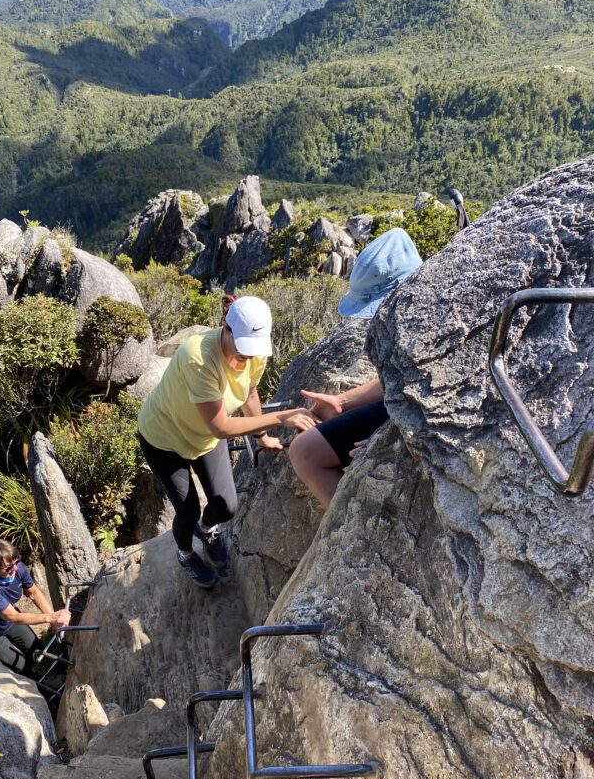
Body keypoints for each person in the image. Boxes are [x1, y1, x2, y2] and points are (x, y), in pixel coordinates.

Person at [137, 295, 317, 587]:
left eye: (254, 349)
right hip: (164, 438)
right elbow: (221, 426)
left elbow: (250, 394)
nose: (248, 356)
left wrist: (261, 437)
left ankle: (206, 530)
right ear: (226, 327)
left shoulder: (255, 355)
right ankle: (185, 554)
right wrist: (281, 417)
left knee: (226, 504)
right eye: (243, 347)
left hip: (203, 437)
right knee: (187, 509)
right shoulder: (198, 357)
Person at [289, 228, 423, 508]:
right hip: (402, 407)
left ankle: (365, 533)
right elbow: (399, 379)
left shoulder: (435, 322)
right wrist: (342, 401)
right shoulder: (403, 317)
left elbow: (445, 394)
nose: (366, 321)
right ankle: (352, 525)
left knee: (306, 453)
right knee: (304, 451)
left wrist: (391, 436)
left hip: (417, 418)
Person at [0, 538, 71, 675]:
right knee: (21, 666)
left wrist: (54, 620)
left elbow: (33, 593)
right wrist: (50, 618)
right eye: (8, 567)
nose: (14, 568)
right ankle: (43, 691)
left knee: (37, 650)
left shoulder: (17, 567)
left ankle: (57, 674)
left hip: (8, 620)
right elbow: (13, 616)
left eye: (16, 562)